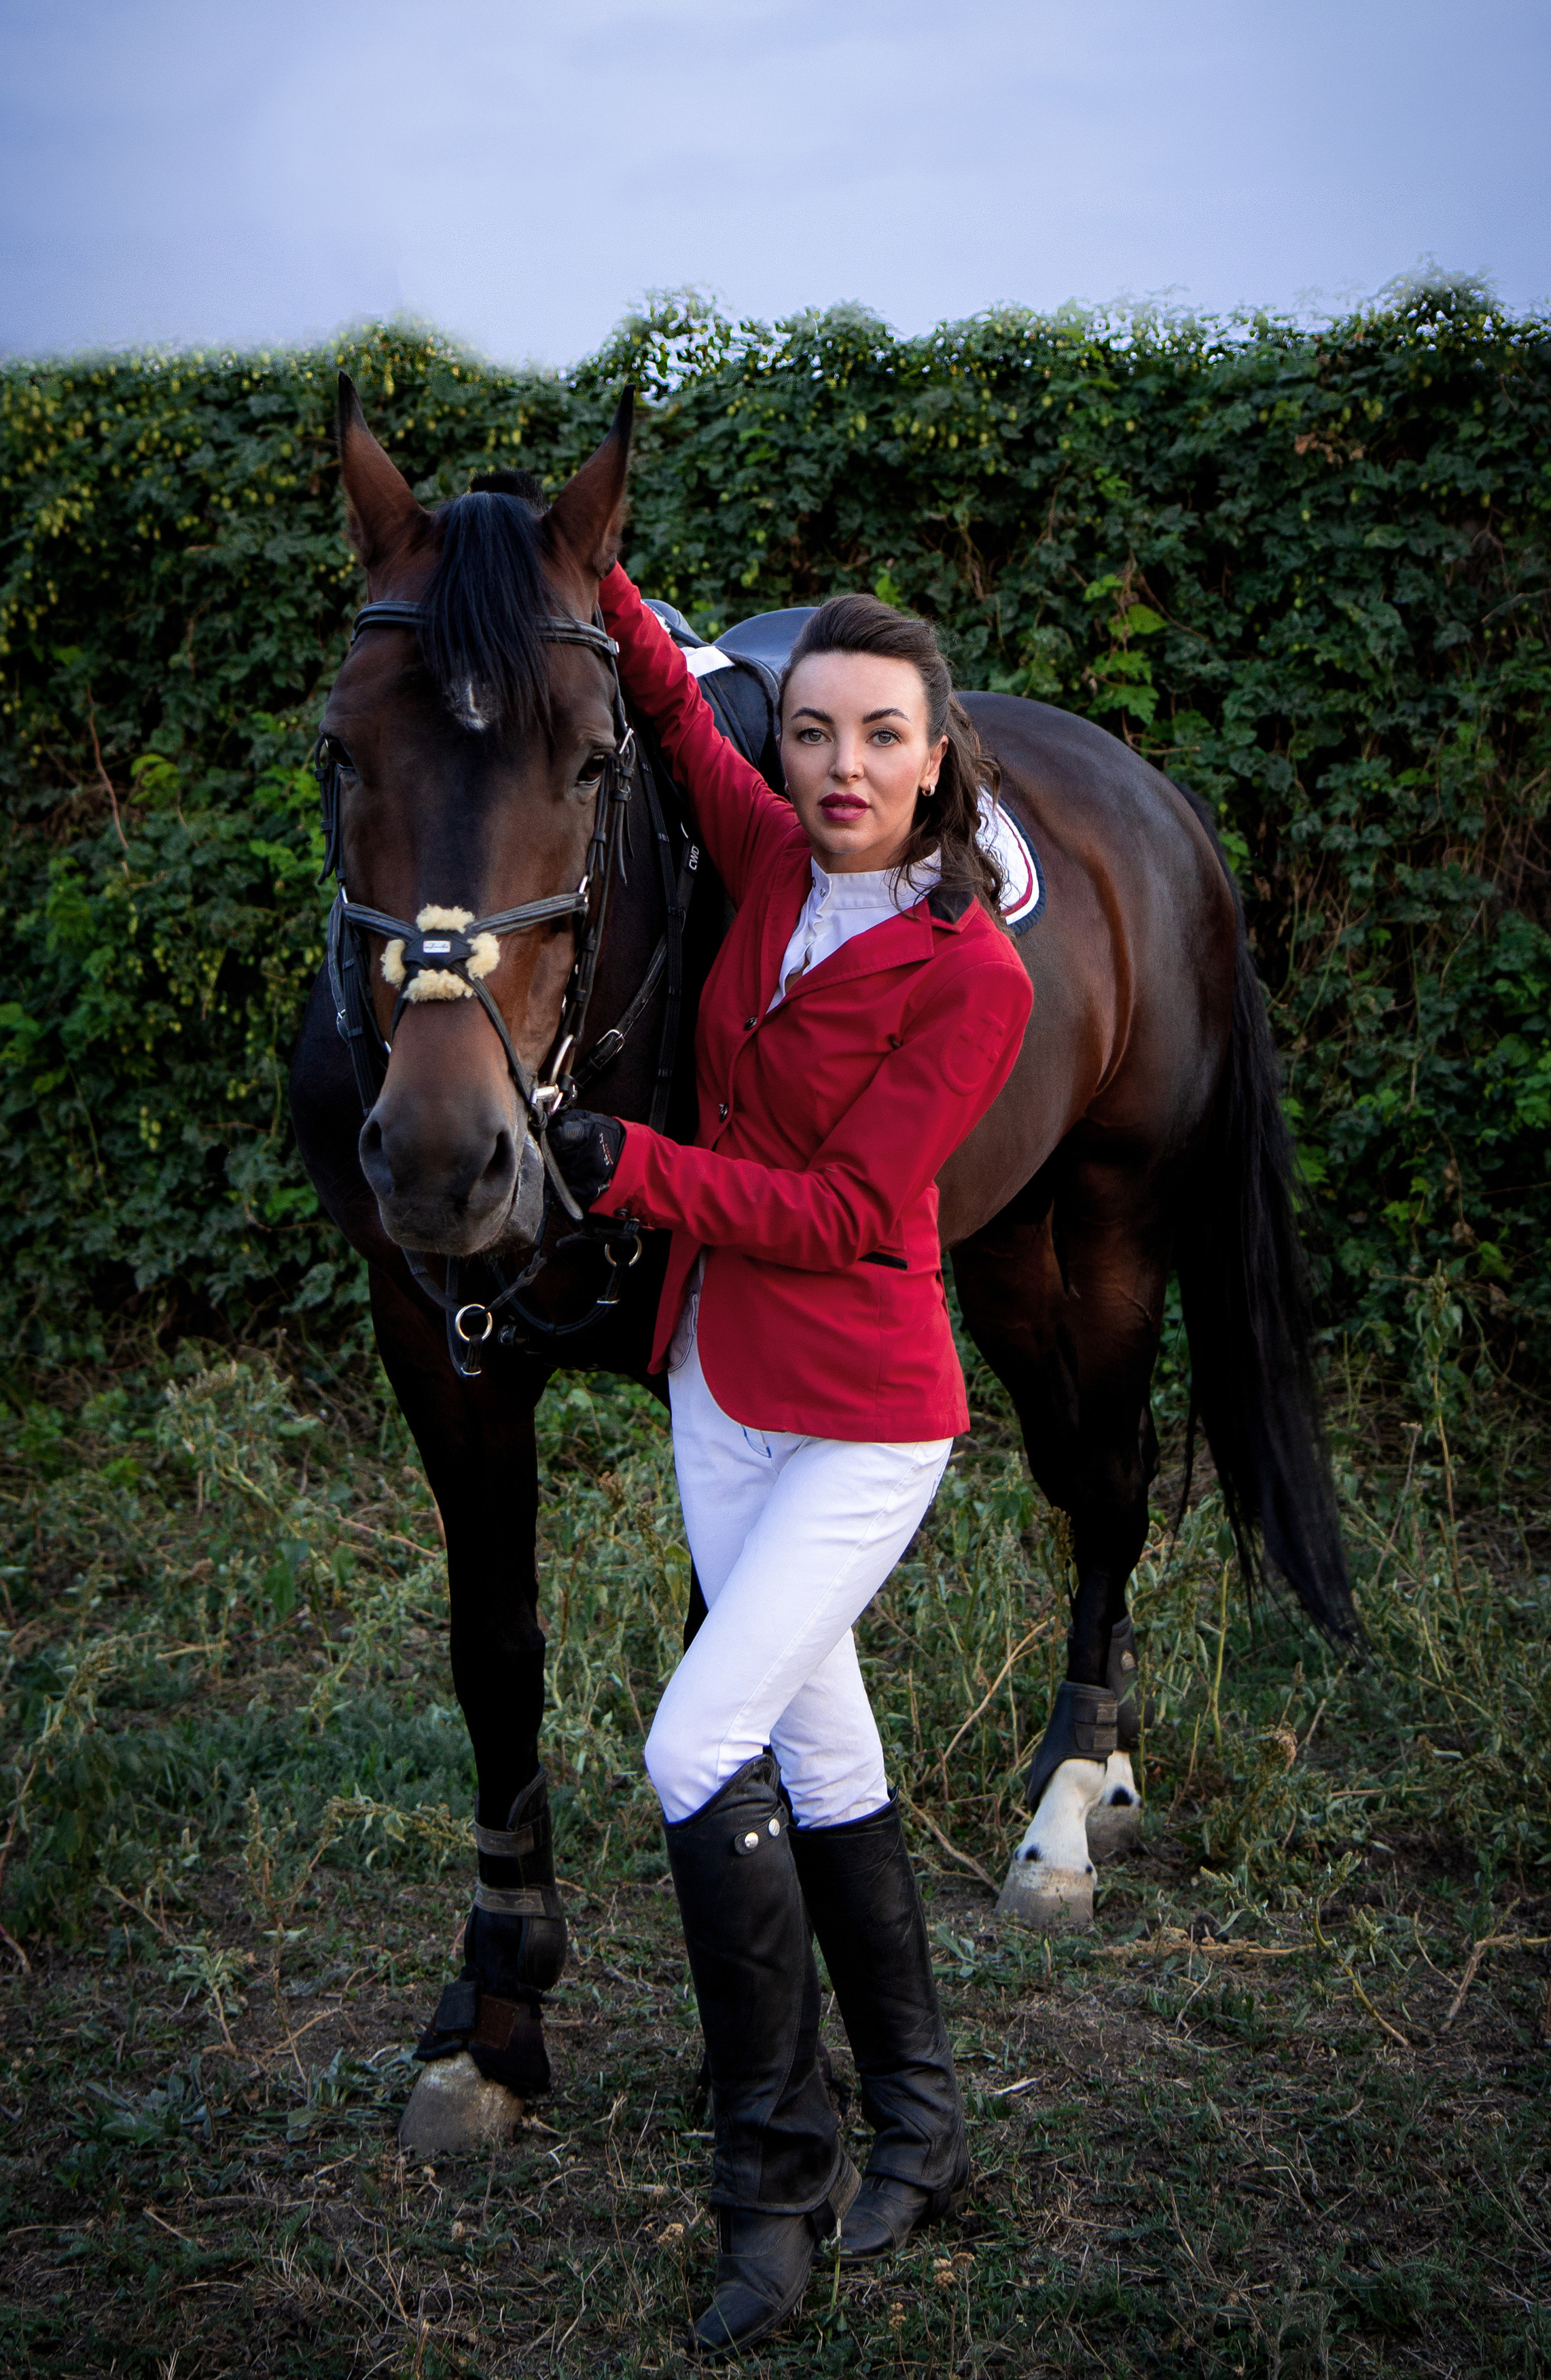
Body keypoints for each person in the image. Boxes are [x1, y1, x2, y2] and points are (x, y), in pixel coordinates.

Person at [546, 569, 1033, 2358]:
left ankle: (774, 2185)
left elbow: (843, 1210)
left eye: (880, 736)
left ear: (934, 757)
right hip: (720, 1382)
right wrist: (573, 557)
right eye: (814, 728)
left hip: (864, 1418)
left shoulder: (968, 974)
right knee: (823, 1743)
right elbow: (674, 712)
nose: (840, 765)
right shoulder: (767, 867)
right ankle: (922, 2127)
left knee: (695, 1737)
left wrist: (629, 1164)